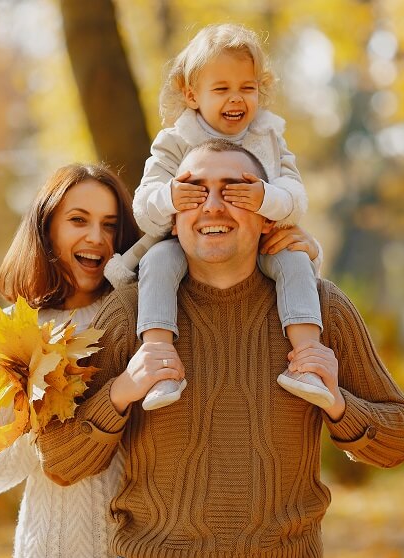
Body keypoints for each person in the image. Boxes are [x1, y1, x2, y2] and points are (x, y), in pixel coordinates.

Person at [37, 140, 404, 558]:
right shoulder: (130, 312)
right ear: (174, 217)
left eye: (235, 190)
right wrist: (120, 393)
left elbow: (397, 441)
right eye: (194, 192)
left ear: (266, 214)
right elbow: (59, 461)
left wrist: (340, 406)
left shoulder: (321, 307)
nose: (212, 206)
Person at [102, 23, 333, 411]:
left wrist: (265, 196)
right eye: (222, 89)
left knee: (295, 260)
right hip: (186, 244)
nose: (236, 99)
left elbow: (295, 198)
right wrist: (171, 195)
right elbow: (143, 206)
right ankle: (159, 361)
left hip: (259, 242)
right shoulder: (174, 141)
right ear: (192, 95)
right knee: (158, 262)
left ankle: (307, 360)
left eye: (247, 88)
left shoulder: (270, 139)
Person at [0, 164, 141, 558]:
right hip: (48, 548)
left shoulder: (142, 319)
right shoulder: (6, 335)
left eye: (110, 225)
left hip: (139, 548)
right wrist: (48, 428)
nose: (96, 237)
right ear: (47, 228)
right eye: (78, 220)